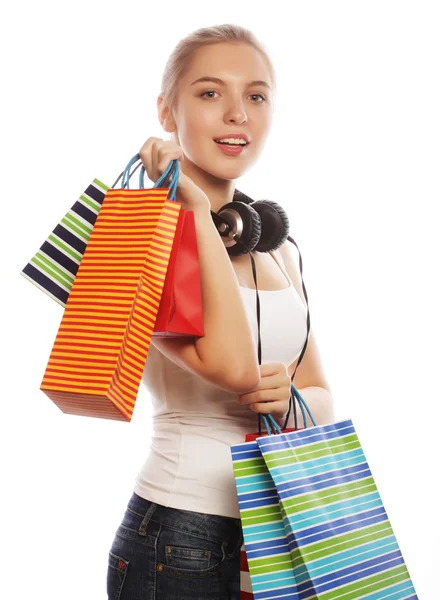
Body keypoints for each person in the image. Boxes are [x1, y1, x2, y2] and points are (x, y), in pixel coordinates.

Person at [106, 23, 335, 600]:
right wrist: (191, 206)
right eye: (210, 93)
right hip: (183, 532)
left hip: (279, 532)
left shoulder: (278, 249)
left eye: (256, 96)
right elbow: (233, 366)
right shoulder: (141, 238)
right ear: (167, 110)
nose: (238, 113)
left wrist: (291, 397)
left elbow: (319, 393)